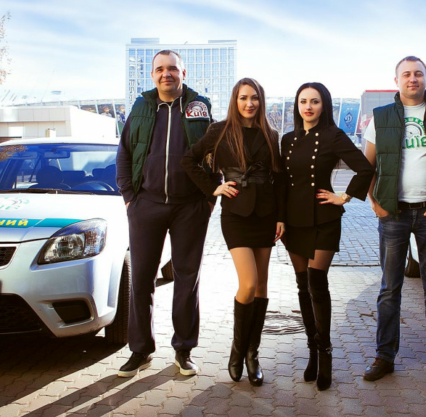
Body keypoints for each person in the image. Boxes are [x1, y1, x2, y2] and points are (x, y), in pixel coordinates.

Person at [362, 56, 426, 387]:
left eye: (418, 73)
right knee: (389, 289)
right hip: (394, 214)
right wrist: (374, 202)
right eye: (406, 74)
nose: (412, 78)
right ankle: (384, 357)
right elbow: (367, 165)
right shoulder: (381, 117)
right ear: (397, 81)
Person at [115, 50, 218, 378]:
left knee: (187, 279)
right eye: (160, 69)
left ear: (183, 73)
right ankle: (140, 350)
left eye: (172, 68)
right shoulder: (141, 108)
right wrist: (129, 199)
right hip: (146, 205)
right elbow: (124, 153)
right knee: (142, 278)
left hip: (190, 207)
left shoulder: (199, 108)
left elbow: (216, 154)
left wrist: (209, 199)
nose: (166, 74)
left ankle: (183, 350)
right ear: (152, 74)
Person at [182, 78, 285, 386]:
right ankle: (237, 349)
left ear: (261, 101)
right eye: (243, 98)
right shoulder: (220, 130)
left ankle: (253, 354)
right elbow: (188, 160)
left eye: (254, 98)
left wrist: (281, 217)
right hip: (236, 214)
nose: (249, 103)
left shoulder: (271, 134)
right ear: (235, 100)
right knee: (248, 283)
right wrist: (213, 187)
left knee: (262, 285)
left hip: (265, 214)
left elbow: (279, 178)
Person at [280, 82, 374, 391]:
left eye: (315, 101)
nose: (308, 107)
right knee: (302, 287)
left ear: (324, 105)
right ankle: (311, 351)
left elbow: (364, 169)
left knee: (316, 282)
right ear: (297, 106)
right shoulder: (288, 140)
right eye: (303, 101)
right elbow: (282, 182)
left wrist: (343, 196)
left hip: (324, 219)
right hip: (294, 220)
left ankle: (325, 352)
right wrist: (279, 218)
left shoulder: (333, 135)